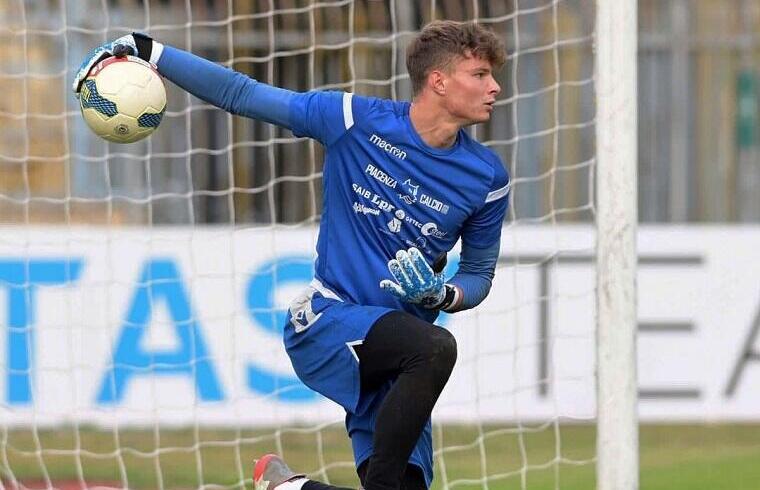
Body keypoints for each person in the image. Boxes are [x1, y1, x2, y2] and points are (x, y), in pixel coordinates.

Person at [74, 19, 509, 490]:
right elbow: (242, 93)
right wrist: (150, 51)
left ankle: (290, 488)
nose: (495, 87)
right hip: (329, 322)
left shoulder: (486, 178)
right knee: (438, 346)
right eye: (481, 74)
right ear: (439, 81)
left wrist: (442, 294)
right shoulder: (351, 120)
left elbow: (480, 273)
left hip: (401, 357)